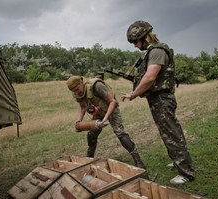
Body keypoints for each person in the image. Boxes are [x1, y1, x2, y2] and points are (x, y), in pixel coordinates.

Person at [121, 20, 195, 184]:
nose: (134, 45)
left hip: (162, 99)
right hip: (157, 99)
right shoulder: (152, 51)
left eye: (135, 42)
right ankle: (177, 160)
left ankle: (186, 172)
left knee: (172, 133)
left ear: (143, 37)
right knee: (167, 132)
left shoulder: (157, 50)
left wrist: (133, 94)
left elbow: (150, 77)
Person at [66, 75, 146, 169]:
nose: (76, 92)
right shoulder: (77, 93)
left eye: (77, 89)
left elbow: (112, 102)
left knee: (120, 133)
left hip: (111, 108)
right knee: (91, 135)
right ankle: (89, 159)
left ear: (81, 82)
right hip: (98, 111)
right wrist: (79, 119)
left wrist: (105, 118)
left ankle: (138, 161)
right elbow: (82, 107)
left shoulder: (96, 86)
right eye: (73, 91)